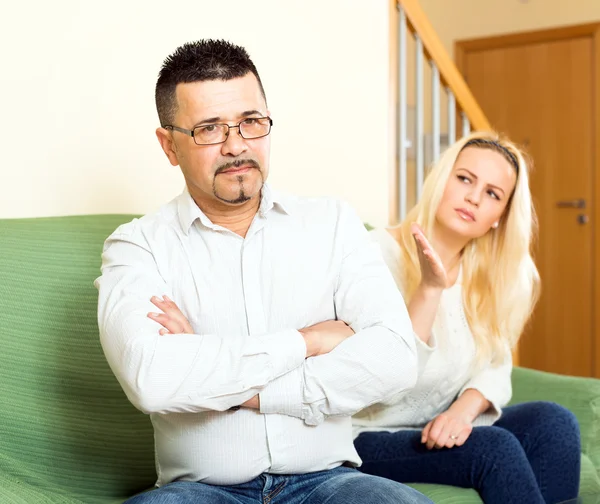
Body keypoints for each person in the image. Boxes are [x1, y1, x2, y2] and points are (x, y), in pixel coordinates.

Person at [94, 39, 432, 504]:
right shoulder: (138, 247)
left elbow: (396, 361)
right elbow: (151, 380)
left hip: (328, 482)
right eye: (209, 129)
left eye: (251, 122)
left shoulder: (332, 224)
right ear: (169, 145)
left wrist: (225, 378)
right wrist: (308, 342)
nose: (237, 146)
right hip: (200, 492)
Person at [352, 132, 581, 504]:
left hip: (433, 426)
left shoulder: (488, 277)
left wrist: (462, 411)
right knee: (494, 447)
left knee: (554, 422)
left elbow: (495, 364)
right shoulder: (375, 254)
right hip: (365, 436)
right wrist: (429, 288)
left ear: (498, 218)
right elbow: (387, 375)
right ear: (441, 179)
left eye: (493, 194)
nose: (474, 197)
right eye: (465, 179)